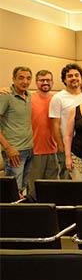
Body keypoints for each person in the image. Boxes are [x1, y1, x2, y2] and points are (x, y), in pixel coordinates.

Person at [0, 66, 33, 195]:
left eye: (28, 78)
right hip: (14, 152)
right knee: (12, 192)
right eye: (21, 78)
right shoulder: (5, 96)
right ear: (13, 79)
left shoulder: (29, 95)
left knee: (21, 190)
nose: (25, 81)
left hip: (29, 150)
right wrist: (8, 148)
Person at [49, 63, 82, 179]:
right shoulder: (58, 98)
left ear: (81, 77)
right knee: (66, 177)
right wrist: (60, 145)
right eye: (70, 76)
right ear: (64, 79)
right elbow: (55, 124)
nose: (74, 78)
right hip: (66, 145)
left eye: (76, 75)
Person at [28, 70, 59, 197]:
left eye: (48, 80)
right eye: (41, 80)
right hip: (35, 151)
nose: (45, 82)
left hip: (53, 151)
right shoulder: (29, 98)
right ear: (36, 82)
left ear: (52, 82)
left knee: (53, 189)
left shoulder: (56, 99)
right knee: (34, 191)